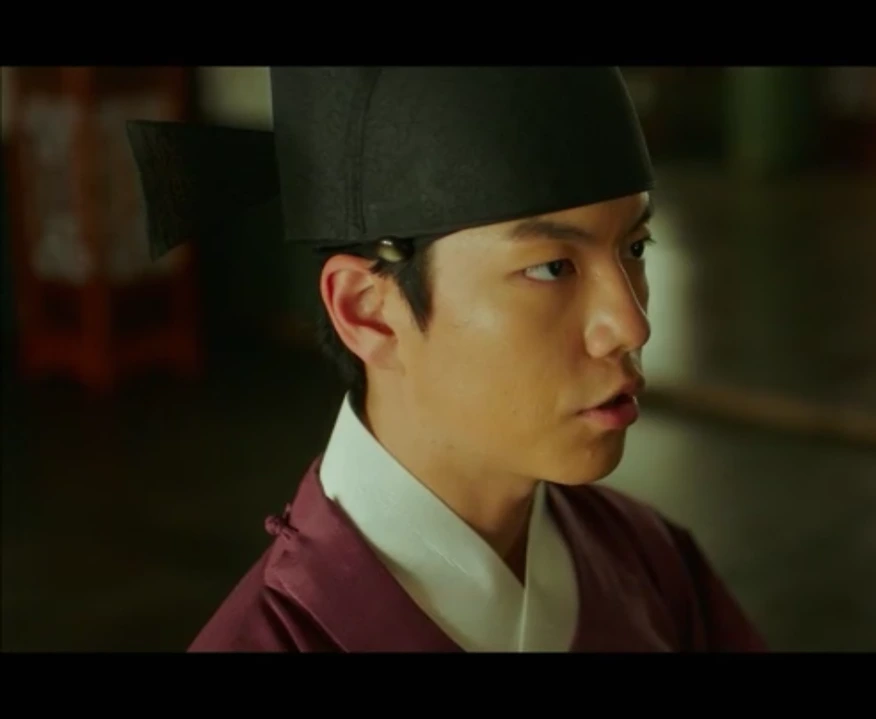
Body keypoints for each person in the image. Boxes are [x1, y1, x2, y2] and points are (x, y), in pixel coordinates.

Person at [127, 66, 767, 652]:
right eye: (551, 267)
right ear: (369, 311)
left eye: (635, 247)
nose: (630, 325)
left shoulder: (649, 563)